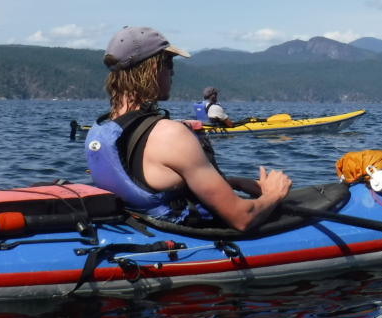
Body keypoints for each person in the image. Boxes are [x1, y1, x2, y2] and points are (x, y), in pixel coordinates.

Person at [85, 26, 291, 232]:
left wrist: (234, 183)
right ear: (153, 68)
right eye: (169, 63)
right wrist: (274, 193)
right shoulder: (170, 135)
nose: (173, 71)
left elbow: (151, 184)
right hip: (186, 240)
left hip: (143, 227)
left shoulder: (101, 130)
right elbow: (242, 218)